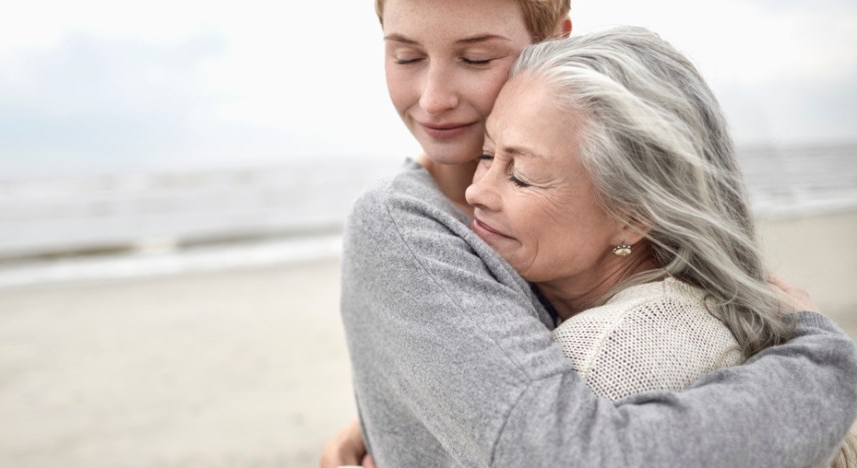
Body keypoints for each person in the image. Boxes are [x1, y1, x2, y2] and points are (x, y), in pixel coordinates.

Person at [322, 0, 857, 467]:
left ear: (554, 40)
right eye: (406, 56)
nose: (434, 98)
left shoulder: (632, 292)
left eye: (477, 58)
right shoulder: (406, 226)